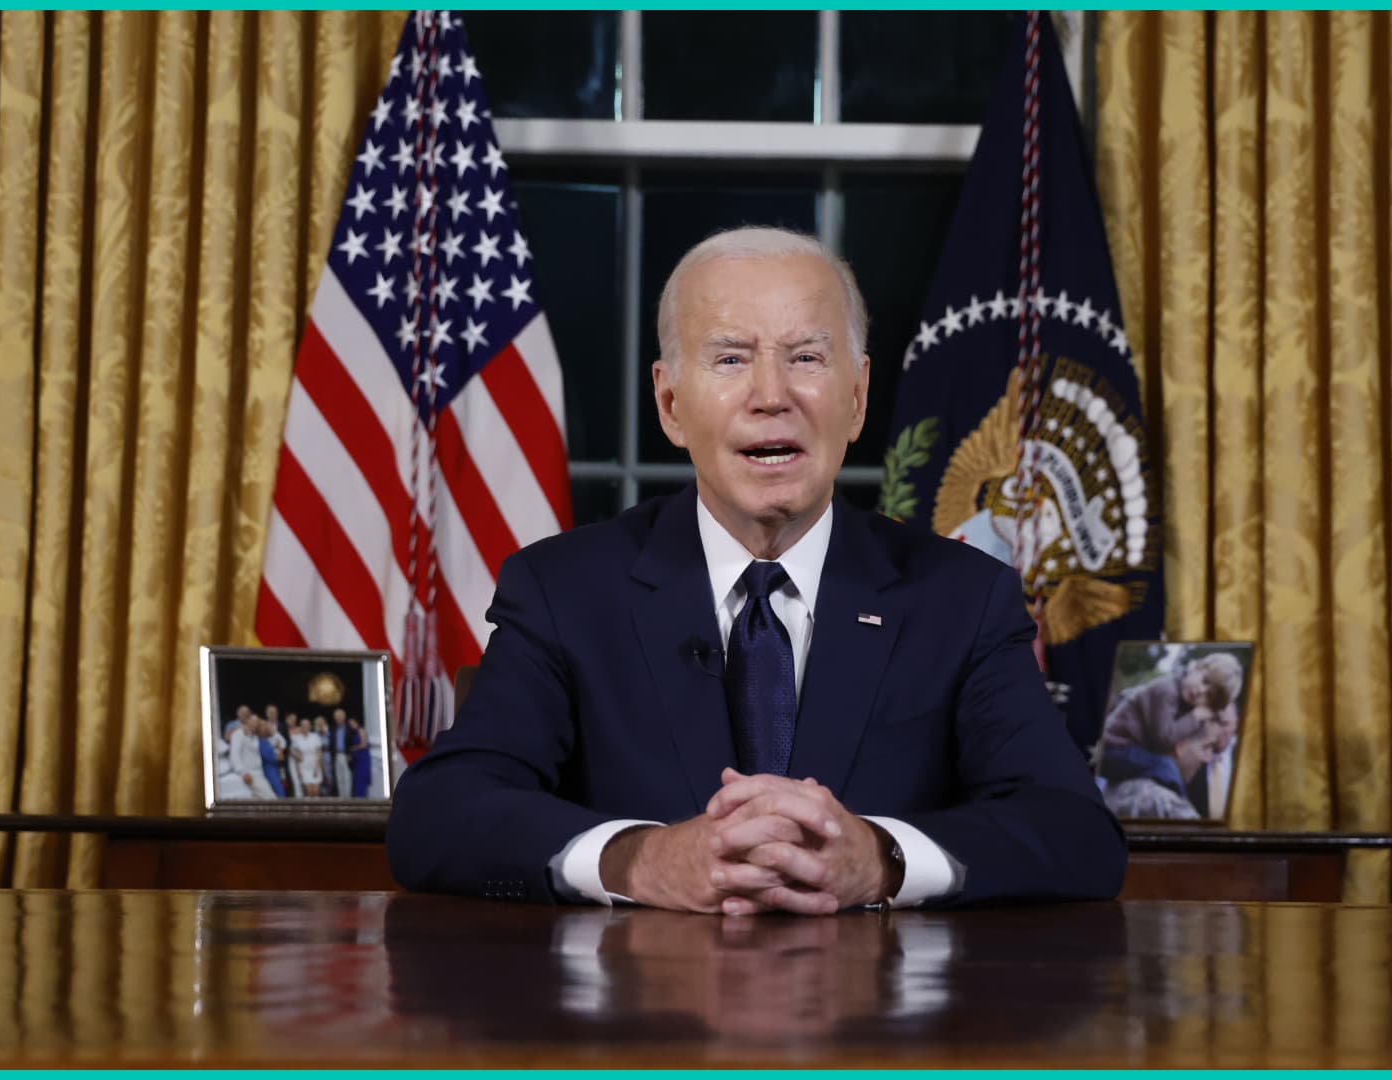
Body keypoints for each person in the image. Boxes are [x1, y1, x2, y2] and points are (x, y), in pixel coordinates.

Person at [387, 226, 1125, 914]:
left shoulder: (961, 599)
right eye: (731, 359)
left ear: (858, 397)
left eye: (806, 358)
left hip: (877, 1008)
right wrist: (641, 861)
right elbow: (439, 814)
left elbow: (1074, 832)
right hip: (640, 1004)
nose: (772, 396)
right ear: (670, 404)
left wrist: (881, 859)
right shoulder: (564, 592)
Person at [1100, 652, 1242, 817]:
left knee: (1162, 766)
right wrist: (1195, 716)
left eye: (1208, 696)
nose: (1200, 691)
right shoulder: (1166, 689)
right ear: (1195, 667)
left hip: (1125, 752)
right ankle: (1178, 804)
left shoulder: (1182, 700)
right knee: (1164, 766)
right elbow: (1163, 739)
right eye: (1205, 681)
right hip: (1112, 748)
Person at [1097, 706, 1220, 820]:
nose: (1208, 758)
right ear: (1181, 745)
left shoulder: (1111, 788)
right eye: (1206, 747)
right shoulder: (1165, 805)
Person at [231, 707, 279, 800]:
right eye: (253, 721)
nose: (255, 724)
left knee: (259, 800)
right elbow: (234, 755)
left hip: (259, 773)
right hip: (250, 773)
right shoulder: (239, 734)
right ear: (248, 721)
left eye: (257, 722)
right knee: (271, 798)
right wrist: (243, 772)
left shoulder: (255, 736)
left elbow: (270, 734)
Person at [294, 716, 325, 798]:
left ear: (310, 726)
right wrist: (298, 770)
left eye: (307, 725)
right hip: (304, 766)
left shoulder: (315, 736)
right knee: (309, 791)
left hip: (315, 765)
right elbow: (296, 756)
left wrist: (317, 767)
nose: (305, 727)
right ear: (301, 727)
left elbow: (319, 752)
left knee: (315, 791)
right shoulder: (297, 738)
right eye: (303, 725)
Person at [347, 713, 372, 798]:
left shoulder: (361, 730)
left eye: (352, 723)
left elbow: (363, 744)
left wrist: (353, 748)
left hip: (362, 758)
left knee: (361, 779)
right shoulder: (354, 732)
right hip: (357, 760)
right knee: (357, 780)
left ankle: (362, 797)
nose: (351, 725)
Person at [331, 709, 354, 798]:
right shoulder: (334, 729)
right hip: (337, 755)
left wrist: (350, 754)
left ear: (344, 718)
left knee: (347, 777)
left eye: (340, 717)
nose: (339, 719)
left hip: (346, 755)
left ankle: (347, 798)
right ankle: (341, 797)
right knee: (339, 777)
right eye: (337, 718)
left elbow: (352, 743)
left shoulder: (349, 729)